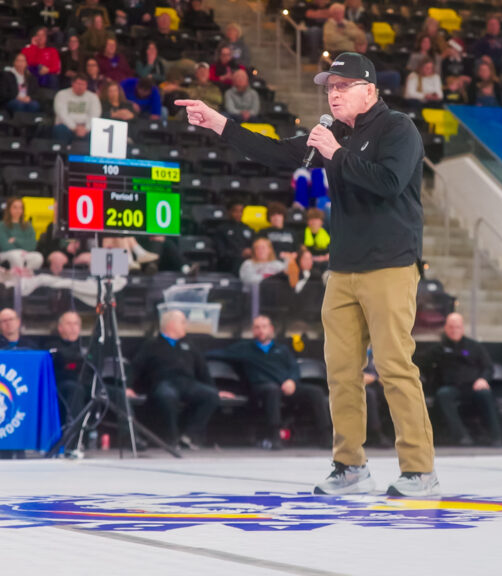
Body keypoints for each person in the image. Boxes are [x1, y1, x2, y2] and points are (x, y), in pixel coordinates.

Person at [177, 51, 437, 497]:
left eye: (342, 87)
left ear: (369, 90)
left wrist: (335, 154)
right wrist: (219, 123)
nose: (333, 94)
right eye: (329, 88)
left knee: (394, 367)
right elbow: (277, 153)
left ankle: (419, 470)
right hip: (342, 269)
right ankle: (350, 466)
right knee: (339, 371)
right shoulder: (331, 132)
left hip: (391, 264)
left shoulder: (398, 128)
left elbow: (389, 182)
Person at [209, 315, 332, 450]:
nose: (261, 330)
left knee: (316, 392)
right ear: (253, 330)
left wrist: (292, 381)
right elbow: (217, 353)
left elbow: (294, 367)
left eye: (264, 327)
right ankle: (274, 436)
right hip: (261, 388)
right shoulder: (244, 348)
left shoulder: (282, 350)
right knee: (272, 390)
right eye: (257, 327)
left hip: (286, 386)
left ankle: (325, 435)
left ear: (271, 329)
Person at [132, 309, 223, 449]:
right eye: (182, 322)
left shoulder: (189, 345)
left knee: (211, 396)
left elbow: (203, 370)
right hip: (163, 382)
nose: (185, 325)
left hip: (188, 383)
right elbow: (135, 368)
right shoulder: (151, 345)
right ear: (171, 324)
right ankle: (171, 438)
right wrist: (127, 387)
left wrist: (215, 390)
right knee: (167, 397)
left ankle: (189, 436)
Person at [425, 313, 502, 447]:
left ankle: (496, 437)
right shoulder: (438, 349)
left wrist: (483, 379)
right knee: (443, 394)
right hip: (451, 387)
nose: (454, 330)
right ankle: (461, 436)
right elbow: (423, 365)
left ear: (462, 328)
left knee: (486, 394)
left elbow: (488, 367)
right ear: (446, 328)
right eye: (451, 327)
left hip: (474, 386)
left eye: (457, 327)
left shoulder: (474, 346)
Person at [0, 197, 45, 271]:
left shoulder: (28, 225)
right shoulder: (1, 225)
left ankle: (26, 275)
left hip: (25, 253)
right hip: (7, 254)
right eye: (15, 207)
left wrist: (15, 240)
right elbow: (4, 246)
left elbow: (32, 245)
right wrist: (23, 245)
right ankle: (18, 278)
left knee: (38, 257)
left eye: (20, 208)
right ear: (9, 209)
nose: (18, 210)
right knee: (16, 256)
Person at [53, 75, 102, 144]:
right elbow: (62, 114)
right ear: (72, 84)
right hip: (66, 126)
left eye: (83, 84)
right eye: (78, 84)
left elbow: (95, 114)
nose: (80, 87)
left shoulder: (93, 97)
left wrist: (87, 128)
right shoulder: (62, 94)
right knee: (60, 129)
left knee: (97, 130)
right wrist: (74, 127)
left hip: (86, 128)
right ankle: (62, 154)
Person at [215, 201, 254, 273]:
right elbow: (221, 253)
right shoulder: (221, 229)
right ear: (229, 212)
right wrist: (240, 253)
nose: (239, 214)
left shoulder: (248, 229)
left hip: (248, 264)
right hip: (229, 264)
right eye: (235, 211)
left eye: (241, 211)